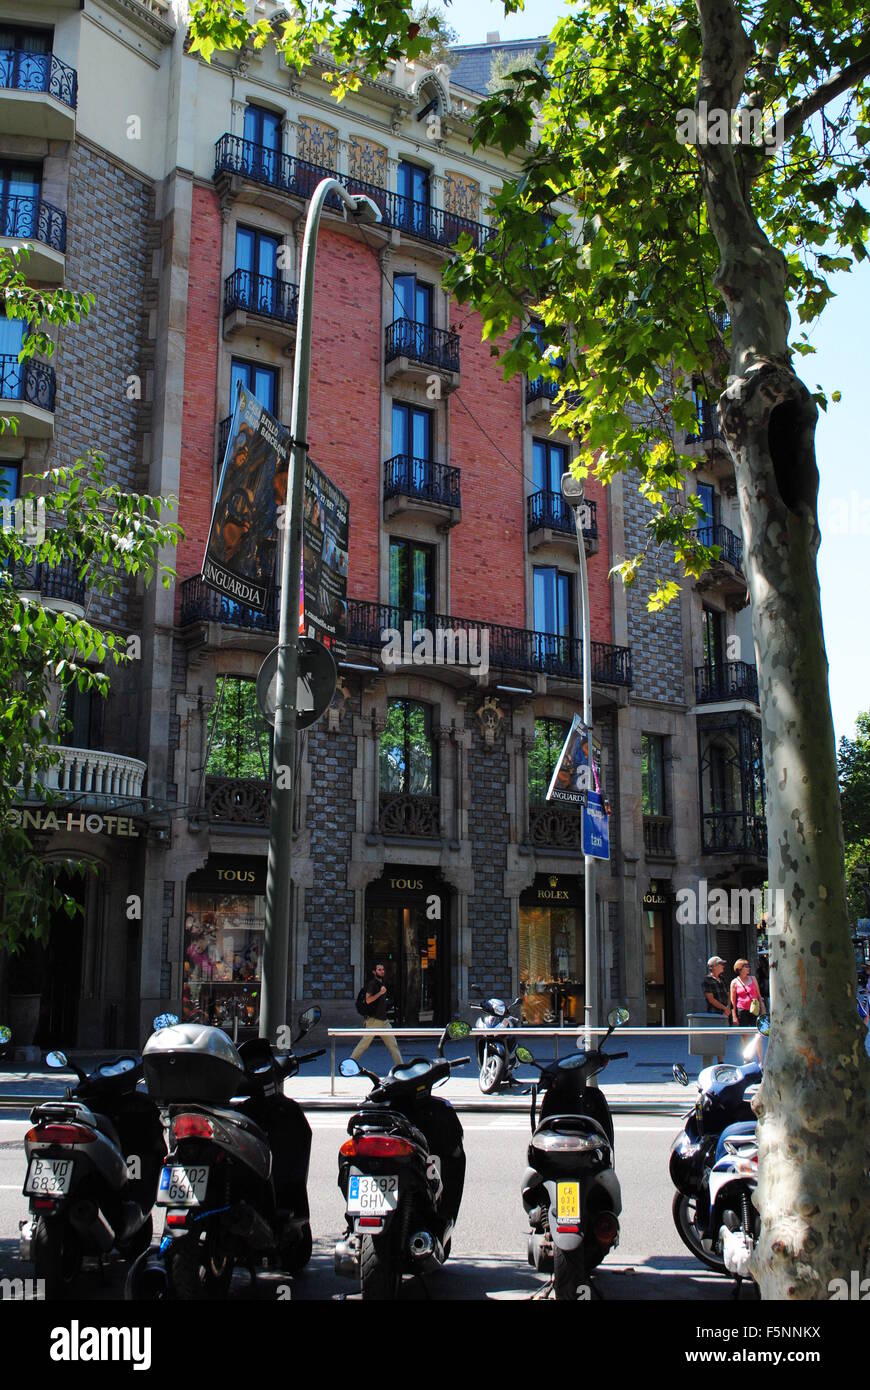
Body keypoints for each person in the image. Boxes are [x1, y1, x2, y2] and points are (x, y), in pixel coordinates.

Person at [350, 962, 404, 1066]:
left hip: (384, 1021)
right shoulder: (372, 984)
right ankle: (349, 1064)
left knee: (393, 1045)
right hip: (373, 1021)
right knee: (364, 1045)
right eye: (379, 969)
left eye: (383, 969)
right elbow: (368, 1000)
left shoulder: (381, 983)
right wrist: (380, 993)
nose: (382, 971)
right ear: (374, 972)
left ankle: (400, 1067)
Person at [701, 955, 730, 1066]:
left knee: (723, 1037)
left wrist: (728, 1007)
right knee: (714, 1038)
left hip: (725, 1012)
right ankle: (710, 1063)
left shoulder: (722, 979)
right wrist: (724, 1008)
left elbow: (728, 994)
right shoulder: (707, 980)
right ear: (713, 967)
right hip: (714, 1013)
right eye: (720, 964)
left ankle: (720, 1062)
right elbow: (710, 999)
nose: (723, 966)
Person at [730, 959, 766, 1028]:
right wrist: (734, 1016)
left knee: (756, 1031)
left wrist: (762, 1010)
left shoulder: (753, 979)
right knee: (745, 1033)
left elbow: (758, 995)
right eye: (746, 966)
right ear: (739, 968)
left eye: (748, 966)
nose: (748, 968)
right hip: (742, 1010)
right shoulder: (734, 982)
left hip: (754, 1009)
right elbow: (733, 1002)